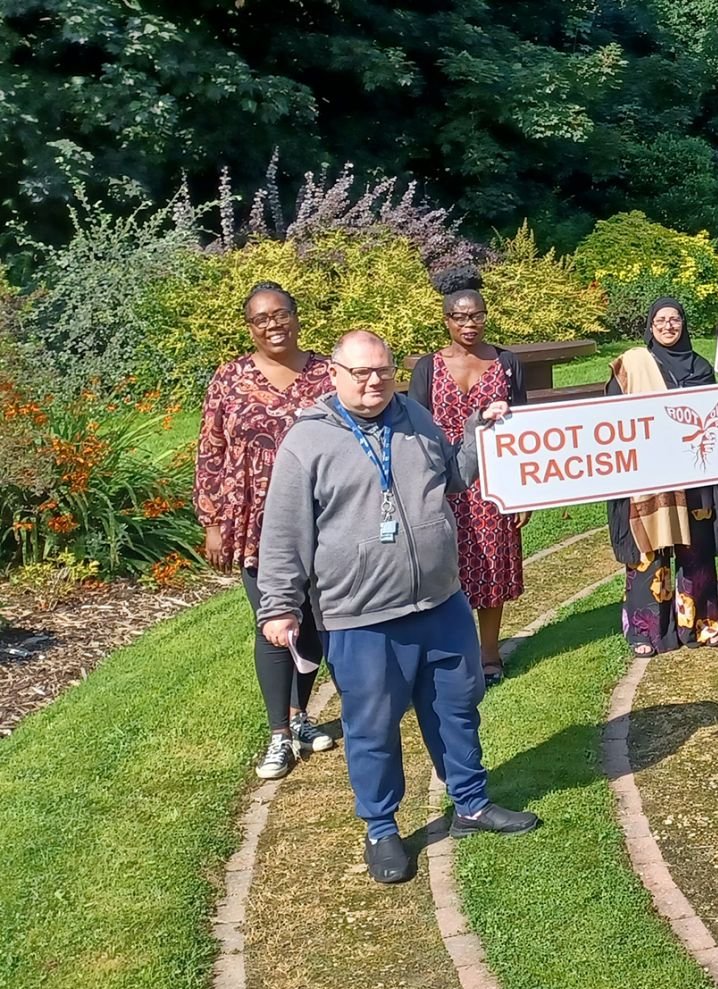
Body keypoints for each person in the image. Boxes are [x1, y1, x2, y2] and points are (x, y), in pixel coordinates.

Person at [256, 330, 538, 885]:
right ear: (334, 374)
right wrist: (280, 606)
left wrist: (479, 433)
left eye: (382, 370)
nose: (373, 382)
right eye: (360, 372)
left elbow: (454, 477)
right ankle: (382, 830)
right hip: (361, 615)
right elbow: (284, 533)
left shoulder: (414, 416)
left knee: (457, 708)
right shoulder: (307, 442)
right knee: (372, 726)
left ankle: (472, 804)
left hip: (439, 601)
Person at [195, 281, 336, 780]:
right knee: (276, 621)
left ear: (297, 316)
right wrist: (213, 521)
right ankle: (278, 734)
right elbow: (210, 450)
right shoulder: (230, 379)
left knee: (317, 620)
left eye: (281, 314)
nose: (274, 325)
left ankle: (301, 718)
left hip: (324, 515)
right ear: (250, 328)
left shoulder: (326, 374)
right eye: (262, 319)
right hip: (257, 520)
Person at [409, 267, 529, 685]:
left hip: (493, 484)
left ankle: (490, 654)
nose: (469, 323)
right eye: (460, 317)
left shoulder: (506, 362)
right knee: (445, 569)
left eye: (476, 315)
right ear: (447, 321)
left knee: (492, 568)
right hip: (444, 483)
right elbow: (415, 430)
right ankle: (451, 653)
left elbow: (524, 431)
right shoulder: (428, 367)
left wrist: (522, 494)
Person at [606, 297, 718, 655]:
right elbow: (612, 418)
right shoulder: (633, 364)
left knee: (697, 552)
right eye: (661, 320)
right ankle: (647, 631)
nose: (668, 326)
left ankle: (702, 625)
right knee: (649, 552)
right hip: (648, 476)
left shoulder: (700, 368)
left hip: (692, 476)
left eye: (675, 320)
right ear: (650, 325)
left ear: (684, 324)